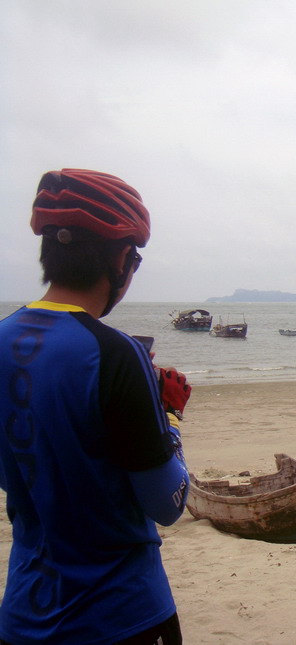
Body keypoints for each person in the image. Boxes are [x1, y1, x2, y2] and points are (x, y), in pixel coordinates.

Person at [0, 169, 192, 644]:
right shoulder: (116, 353)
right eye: (135, 260)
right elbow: (167, 503)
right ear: (121, 259)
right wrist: (169, 416)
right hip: (121, 614)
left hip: (23, 614)